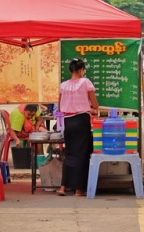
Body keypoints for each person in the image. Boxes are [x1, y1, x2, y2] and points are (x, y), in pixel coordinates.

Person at [56, 58, 99, 197]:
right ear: (81, 70)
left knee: (69, 153)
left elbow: (61, 107)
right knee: (82, 154)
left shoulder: (63, 85)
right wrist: (90, 109)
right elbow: (95, 104)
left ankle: (63, 187)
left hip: (68, 122)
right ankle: (79, 189)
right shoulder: (85, 82)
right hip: (81, 121)